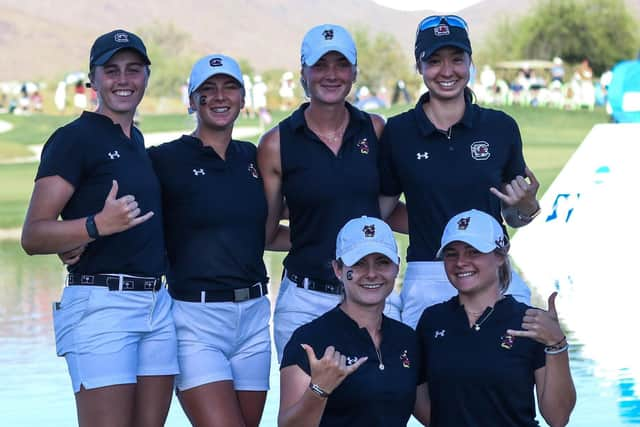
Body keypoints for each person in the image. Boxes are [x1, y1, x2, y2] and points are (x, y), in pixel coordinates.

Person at [20, 29, 178, 426]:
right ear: (92, 79)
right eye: (112, 71)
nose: (123, 80)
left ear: (146, 76)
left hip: (156, 305)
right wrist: (95, 225)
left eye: (133, 70)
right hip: (101, 306)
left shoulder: (135, 139)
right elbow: (33, 235)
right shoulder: (73, 139)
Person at [147, 54, 287, 427]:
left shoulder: (253, 158)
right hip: (196, 319)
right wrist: (79, 237)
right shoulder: (165, 159)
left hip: (256, 316)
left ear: (243, 98)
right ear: (191, 101)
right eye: (207, 90)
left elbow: (271, 229)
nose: (220, 96)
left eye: (230, 87)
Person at [379, 15, 540, 329]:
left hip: (494, 269)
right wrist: (434, 224)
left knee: (519, 360)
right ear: (419, 66)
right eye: (434, 61)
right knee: (425, 374)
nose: (447, 71)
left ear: (470, 62)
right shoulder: (399, 131)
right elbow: (381, 210)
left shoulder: (500, 127)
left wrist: (527, 205)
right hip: (428, 271)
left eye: (457, 59)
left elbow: (515, 216)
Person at [257, 23, 402, 361]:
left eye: (341, 64)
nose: (331, 74)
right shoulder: (276, 144)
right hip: (305, 301)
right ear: (303, 74)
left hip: (372, 293)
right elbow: (265, 233)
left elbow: (385, 204)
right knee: (308, 407)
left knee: (380, 404)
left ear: (354, 72)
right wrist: (317, 236)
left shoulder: (376, 130)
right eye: (320, 65)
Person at [415, 209, 576, 426]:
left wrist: (557, 344)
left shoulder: (529, 321)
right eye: (452, 253)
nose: (461, 262)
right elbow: (419, 398)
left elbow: (558, 418)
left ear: (499, 256)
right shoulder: (432, 321)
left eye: (473, 252)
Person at [279, 216, 426, 426]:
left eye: (382, 262)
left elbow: (433, 414)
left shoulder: (407, 339)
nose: (372, 274)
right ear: (338, 269)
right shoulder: (311, 339)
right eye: (358, 264)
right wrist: (319, 389)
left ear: (397, 268)